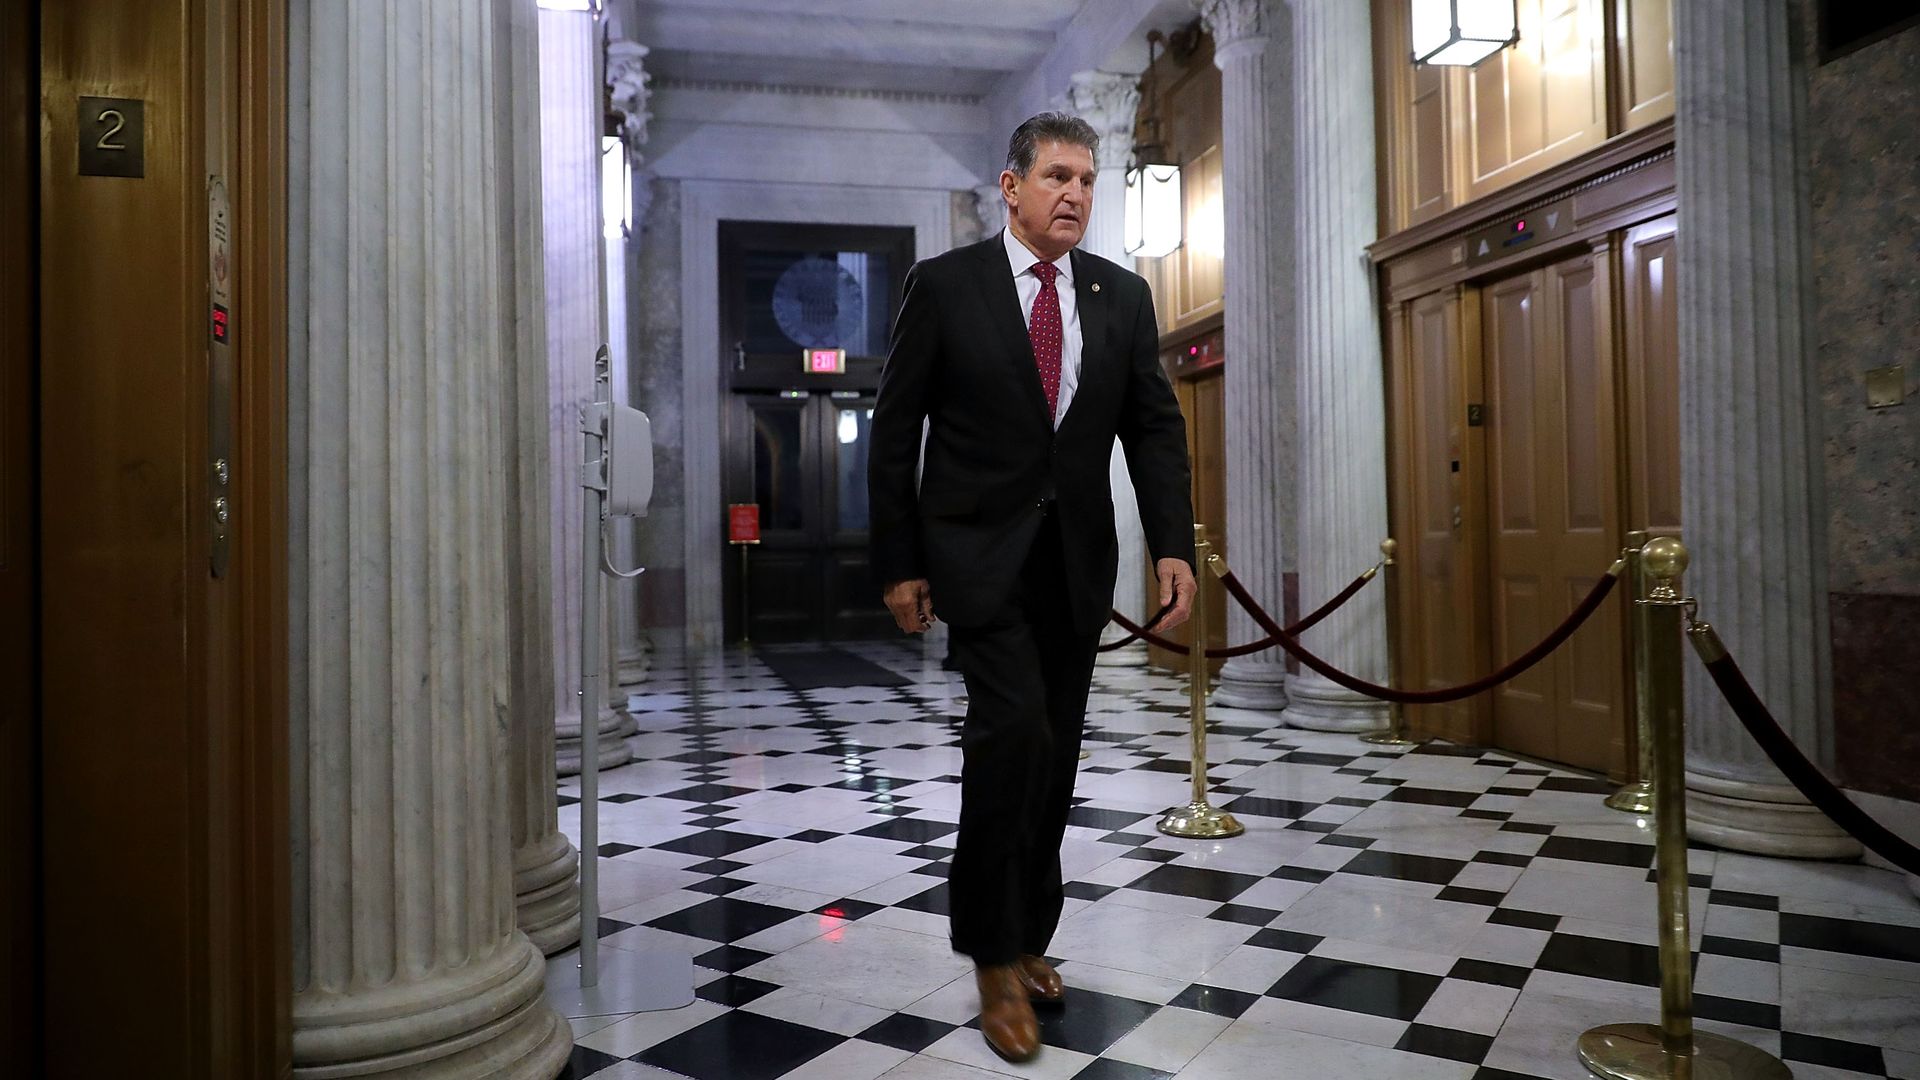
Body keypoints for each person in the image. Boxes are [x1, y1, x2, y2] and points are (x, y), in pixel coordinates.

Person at [867, 112, 1197, 1063]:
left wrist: (1170, 544)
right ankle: (989, 954)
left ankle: (1029, 934)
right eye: (1057, 176)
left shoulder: (1122, 296)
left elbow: (1154, 429)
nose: (1075, 196)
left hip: (1075, 568)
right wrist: (899, 561)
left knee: (1053, 757)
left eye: (1088, 181)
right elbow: (896, 434)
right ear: (1011, 187)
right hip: (977, 562)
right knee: (1011, 733)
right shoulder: (947, 286)